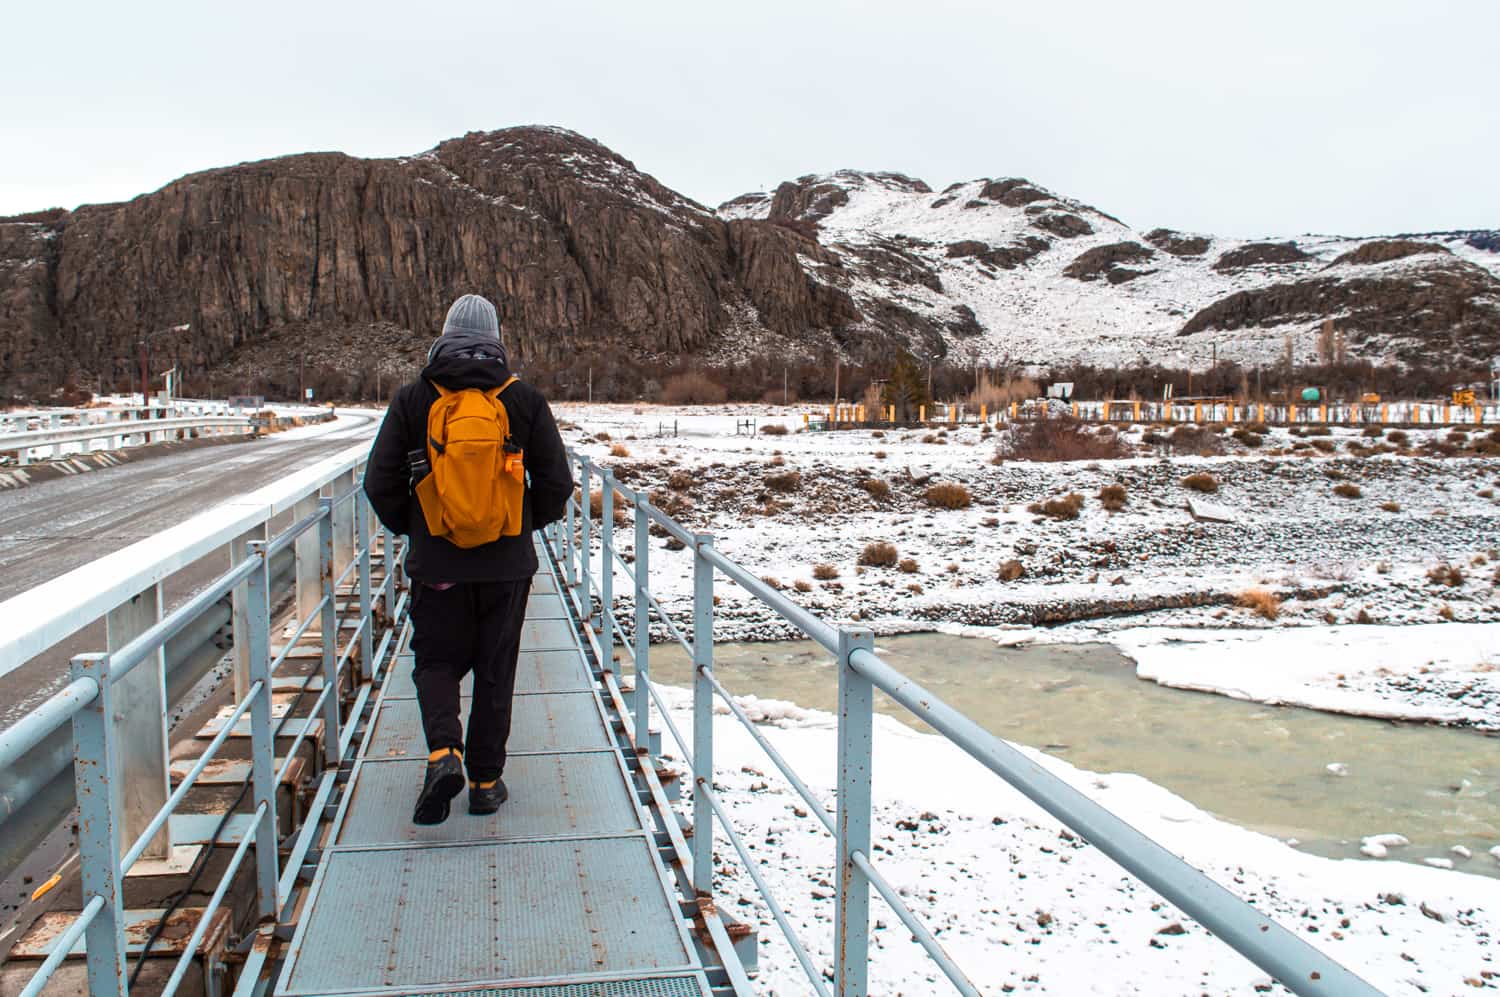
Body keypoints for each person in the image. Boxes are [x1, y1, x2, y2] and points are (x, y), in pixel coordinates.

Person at [364, 294, 572, 824]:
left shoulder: (414, 398)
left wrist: (416, 528)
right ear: (498, 338)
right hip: (507, 566)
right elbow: (557, 483)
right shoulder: (522, 399)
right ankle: (484, 783)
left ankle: (442, 754)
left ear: (445, 333)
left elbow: (379, 482)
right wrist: (523, 525)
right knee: (495, 670)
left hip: (438, 564)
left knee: (435, 660)